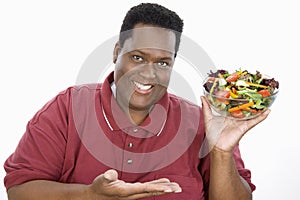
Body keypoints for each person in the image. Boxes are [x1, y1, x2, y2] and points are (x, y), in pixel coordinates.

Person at [3, 3, 270, 200]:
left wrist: (221, 153)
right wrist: (92, 195)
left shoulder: (200, 121)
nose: (148, 73)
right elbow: (18, 190)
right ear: (117, 53)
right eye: (138, 58)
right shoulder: (67, 109)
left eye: (162, 62)